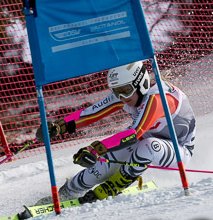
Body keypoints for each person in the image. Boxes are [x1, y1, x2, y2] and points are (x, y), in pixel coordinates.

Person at [35, 61, 196, 204]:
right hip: (144, 141)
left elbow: (134, 132)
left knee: (147, 146)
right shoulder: (131, 94)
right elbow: (92, 113)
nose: (122, 97)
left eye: (125, 90)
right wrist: (59, 127)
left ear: (141, 83)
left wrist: (95, 149)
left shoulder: (158, 98)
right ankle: (66, 193)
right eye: (116, 91)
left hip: (179, 150)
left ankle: (113, 186)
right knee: (101, 167)